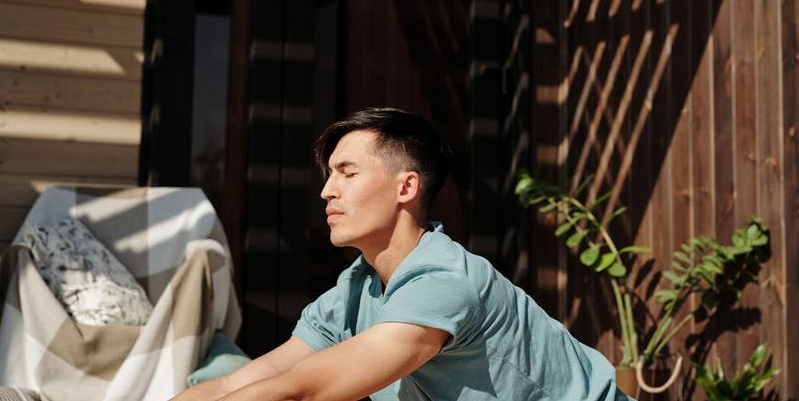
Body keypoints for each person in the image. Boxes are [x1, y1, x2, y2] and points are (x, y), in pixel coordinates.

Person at [172, 108, 631, 400]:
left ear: (406, 187)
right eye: (329, 175)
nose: (327, 192)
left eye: (347, 174)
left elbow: (301, 392)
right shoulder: (356, 289)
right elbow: (246, 380)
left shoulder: (443, 281)